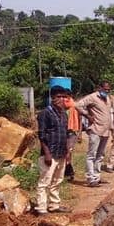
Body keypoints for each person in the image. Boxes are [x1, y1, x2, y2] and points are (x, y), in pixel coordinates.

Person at [36, 86, 72, 214]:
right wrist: (47, 154)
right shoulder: (45, 113)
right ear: (52, 98)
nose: (61, 99)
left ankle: (54, 205)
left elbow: (66, 134)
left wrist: (68, 152)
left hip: (61, 152)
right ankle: (41, 208)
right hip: (49, 153)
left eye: (63, 96)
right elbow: (41, 135)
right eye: (58, 97)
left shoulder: (63, 114)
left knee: (57, 181)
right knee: (45, 181)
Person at [76, 81, 112, 186]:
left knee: (100, 155)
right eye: (105, 89)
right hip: (96, 129)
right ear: (99, 88)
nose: (107, 91)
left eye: (109, 89)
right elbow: (78, 105)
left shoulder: (107, 98)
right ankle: (90, 178)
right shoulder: (92, 97)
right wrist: (88, 116)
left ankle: (97, 177)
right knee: (91, 155)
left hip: (105, 131)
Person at [61, 90, 80, 181]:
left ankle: (68, 171)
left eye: (65, 97)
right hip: (63, 131)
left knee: (68, 152)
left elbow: (80, 119)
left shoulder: (74, 106)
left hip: (71, 131)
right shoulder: (61, 107)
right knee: (65, 152)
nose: (64, 99)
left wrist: (79, 133)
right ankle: (67, 171)